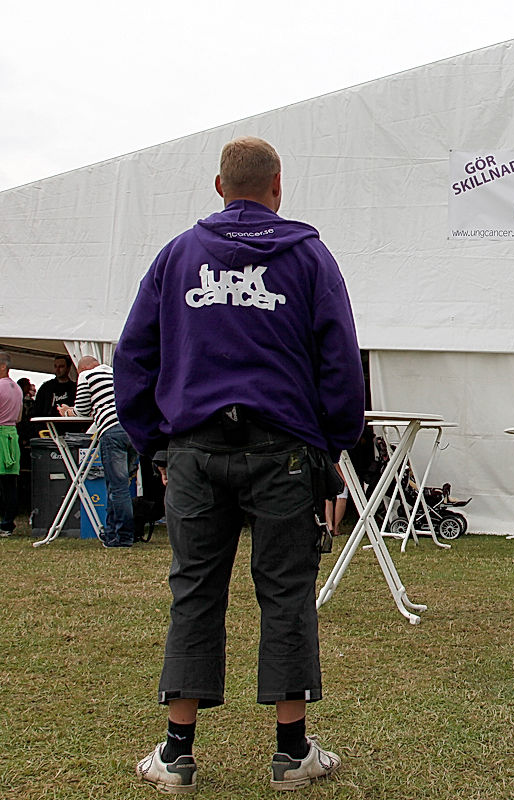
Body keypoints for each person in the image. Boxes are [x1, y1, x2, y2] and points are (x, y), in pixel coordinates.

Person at [114, 136, 365, 793]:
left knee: (193, 591)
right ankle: (291, 753)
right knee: (285, 592)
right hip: (282, 450)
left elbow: (133, 356)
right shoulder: (308, 257)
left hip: (195, 449)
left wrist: (153, 442)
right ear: (278, 186)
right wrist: (331, 445)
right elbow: (340, 359)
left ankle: (176, 753)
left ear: (219, 187)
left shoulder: (177, 257)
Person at [58, 356, 139, 548]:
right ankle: (113, 534)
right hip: (133, 430)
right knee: (123, 486)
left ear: (81, 369)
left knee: (116, 487)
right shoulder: (116, 373)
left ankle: (123, 537)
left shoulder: (87, 376)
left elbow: (82, 411)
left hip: (112, 430)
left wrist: (66, 411)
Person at [0, 352, 22, 535]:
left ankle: (4, 523)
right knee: (10, 483)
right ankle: (8, 523)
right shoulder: (17, 388)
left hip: (1, 434)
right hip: (12, 434)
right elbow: (20, 416)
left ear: (2, 367)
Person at [30, 355, 76, 423]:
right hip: (49, 426)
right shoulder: (46, 387)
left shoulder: (74, 388)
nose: (57, 370)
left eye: (61, 366)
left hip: (70, 426)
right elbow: (37, 409)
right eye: (55, 366)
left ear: (68, 368)